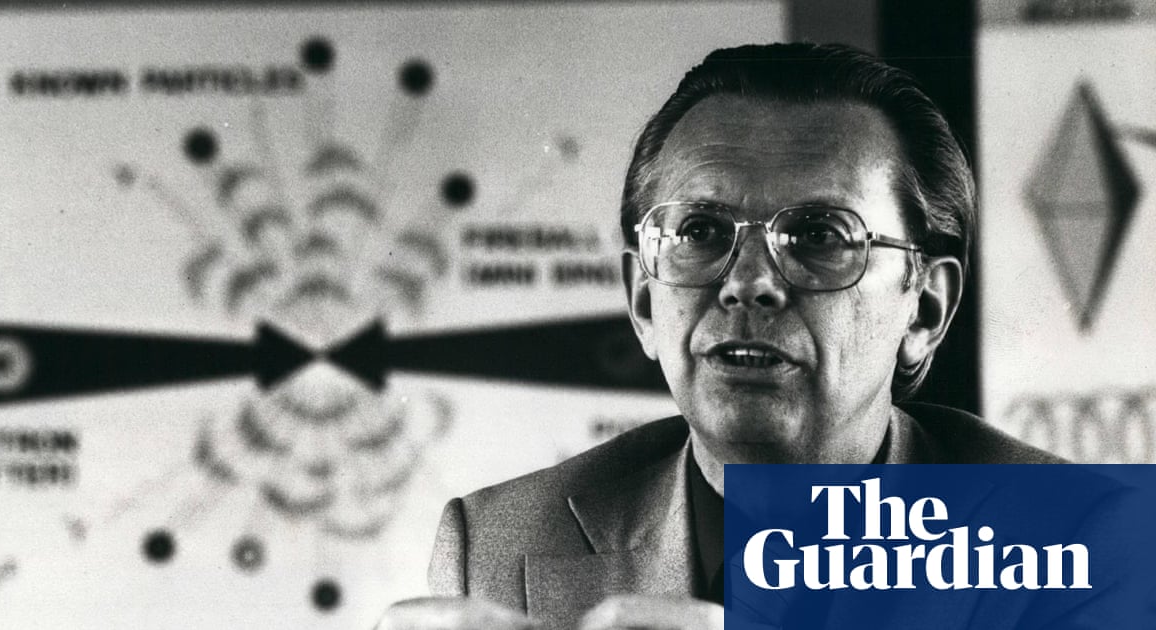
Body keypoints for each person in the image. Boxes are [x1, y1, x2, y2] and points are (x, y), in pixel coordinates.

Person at [377, 42, 1065, 630]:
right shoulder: (497, 547)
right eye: (700, 232)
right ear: (643, 300)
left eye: (819, 235)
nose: (748, 283)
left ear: (924, 311)